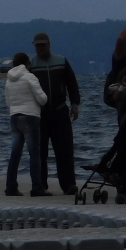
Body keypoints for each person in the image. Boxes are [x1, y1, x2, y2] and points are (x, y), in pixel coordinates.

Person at [29, 33, 81, 195]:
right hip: (40, 113)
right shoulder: (31, 65)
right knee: (40, 151)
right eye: (38, 45)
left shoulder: (61, 61)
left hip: (60, 110)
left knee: (65, 150)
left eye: (43, 45)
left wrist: (75, 105)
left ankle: (69, 184)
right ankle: (41, 185)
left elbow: (72, 84)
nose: (41, 48)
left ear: (49, 45)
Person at [3, 51, 48, 196]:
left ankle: (10, 187)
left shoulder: (9, 80)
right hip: (30, 116)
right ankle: (37, 187)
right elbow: (42, 99)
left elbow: (8, 101)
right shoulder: (30, 77)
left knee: (15, 154)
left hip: (14, 116)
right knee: (34, 153)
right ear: (27, 63)